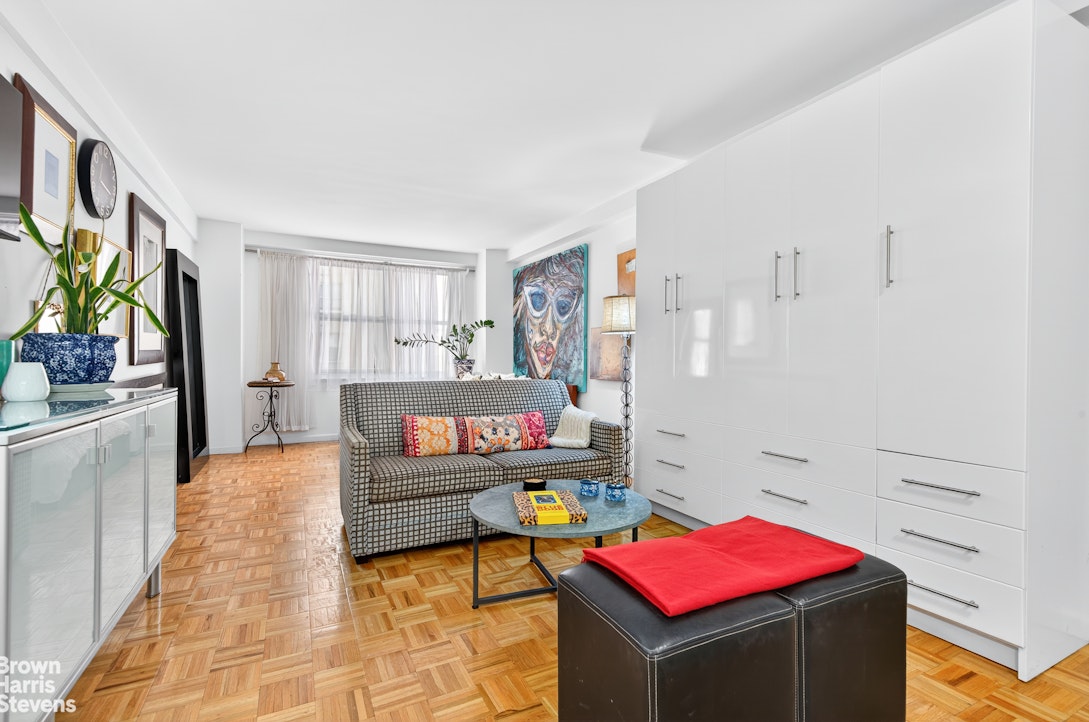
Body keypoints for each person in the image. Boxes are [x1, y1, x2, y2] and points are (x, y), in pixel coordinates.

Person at [513, 247, 585, 385]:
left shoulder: (563, 387)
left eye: (563, 306)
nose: (549, 329)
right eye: (538, 301)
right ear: (520, 305)